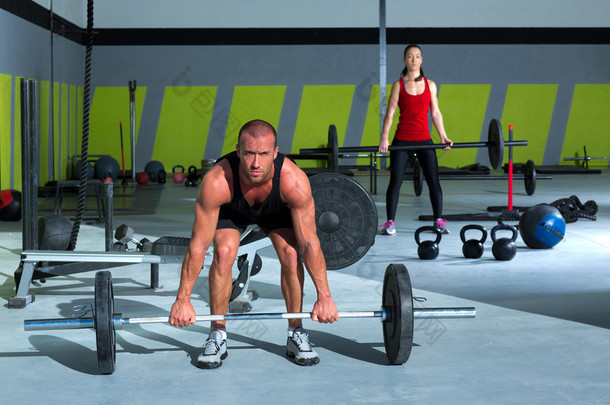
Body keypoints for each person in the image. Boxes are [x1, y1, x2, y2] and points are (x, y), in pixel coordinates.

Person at [169, 119, 339, 369]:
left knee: (292, 254)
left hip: (275, 210)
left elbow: (310, 244)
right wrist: (183, 299)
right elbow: (198, 246)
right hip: (232, 209)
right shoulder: (218, 181)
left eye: (263, 154)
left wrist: (325, 297)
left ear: (276, 153)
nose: (256, 163)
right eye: (249, 153)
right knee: (224, 254)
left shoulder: (293, 181)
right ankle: (218, 333)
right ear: (238, 151)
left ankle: (296, 332)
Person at [378, 44, 453, 236]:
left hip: (424, 139)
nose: (413, 60)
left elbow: (435, 113)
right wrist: (384, 139)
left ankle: (438, 220)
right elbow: (390, 114)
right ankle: (390, 223)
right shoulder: (398, 85)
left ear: (421, 60)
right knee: (395, 181)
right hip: (402, 139)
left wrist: (443, 136)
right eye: (410, 56)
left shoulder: (430, 85)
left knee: (433, 180)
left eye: (417, 56)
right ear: (404, 60)